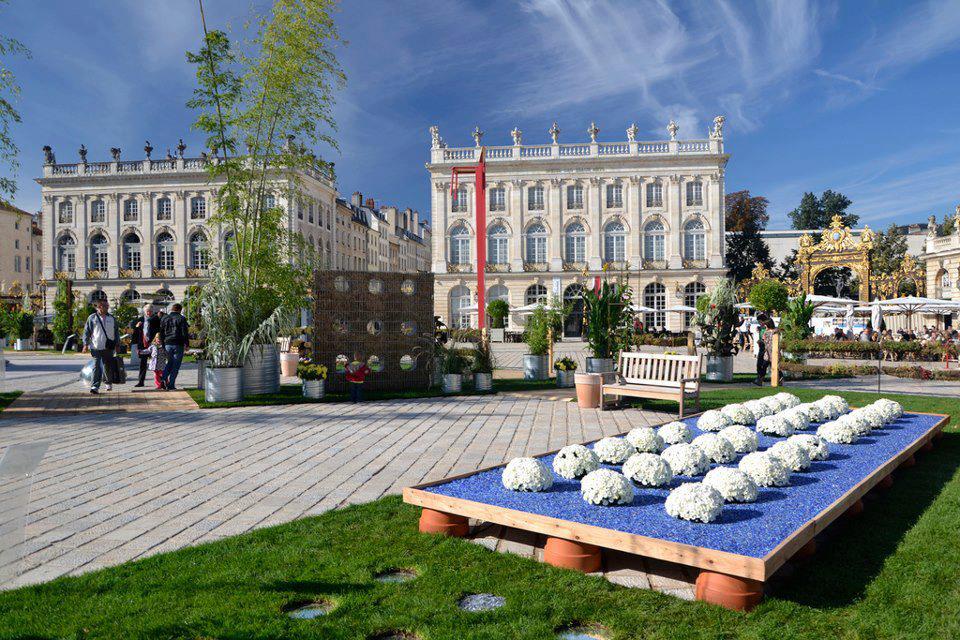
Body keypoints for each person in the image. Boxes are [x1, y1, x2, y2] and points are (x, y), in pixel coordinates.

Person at [82, 298, 120, 394]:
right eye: (105, 306)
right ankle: (95, 386)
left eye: (107, 306)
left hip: (108, 346)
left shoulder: (112, 318)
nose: (107, 307)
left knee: (107, 365)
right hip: (96, 346)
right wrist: (85, 344)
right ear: (99, 307)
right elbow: (87, 332)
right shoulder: (92, 318)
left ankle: (108, 382)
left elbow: (116, 332)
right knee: (96, 366)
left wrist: (117, 344)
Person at [159, 302, 190, 391]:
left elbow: (161, 332)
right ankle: (171, 384)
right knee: (176, 365)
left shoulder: (164, 318)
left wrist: (162, 343)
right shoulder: (181, 318)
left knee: (169, 362)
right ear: (180, 310)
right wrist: (187, 344)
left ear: (172, 309)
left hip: (167, 343)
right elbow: (184, 332)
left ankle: (163, 378)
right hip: (178, 343)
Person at [130, 303, 161, 388]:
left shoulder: (156, 320)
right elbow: (135, 333)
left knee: (157, 364)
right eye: (147, 311)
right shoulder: (140, 320)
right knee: (142, 364)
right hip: (143, 345)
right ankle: (141, 381)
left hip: (154, 344)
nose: (149, 313)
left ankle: (160, 382)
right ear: (144, 311)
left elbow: (159, 331)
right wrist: (137, 327)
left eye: (150, 311)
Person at [754, 314, 776, 387]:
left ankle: (760, 379)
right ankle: (759, 379)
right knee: (761, 365)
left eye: (760, 322)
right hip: (763, 348)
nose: (760, 323)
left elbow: (766, 340)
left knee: (767, 364)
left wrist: (761, 340)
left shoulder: (769, 330)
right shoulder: (762, 328)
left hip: (767, 349)